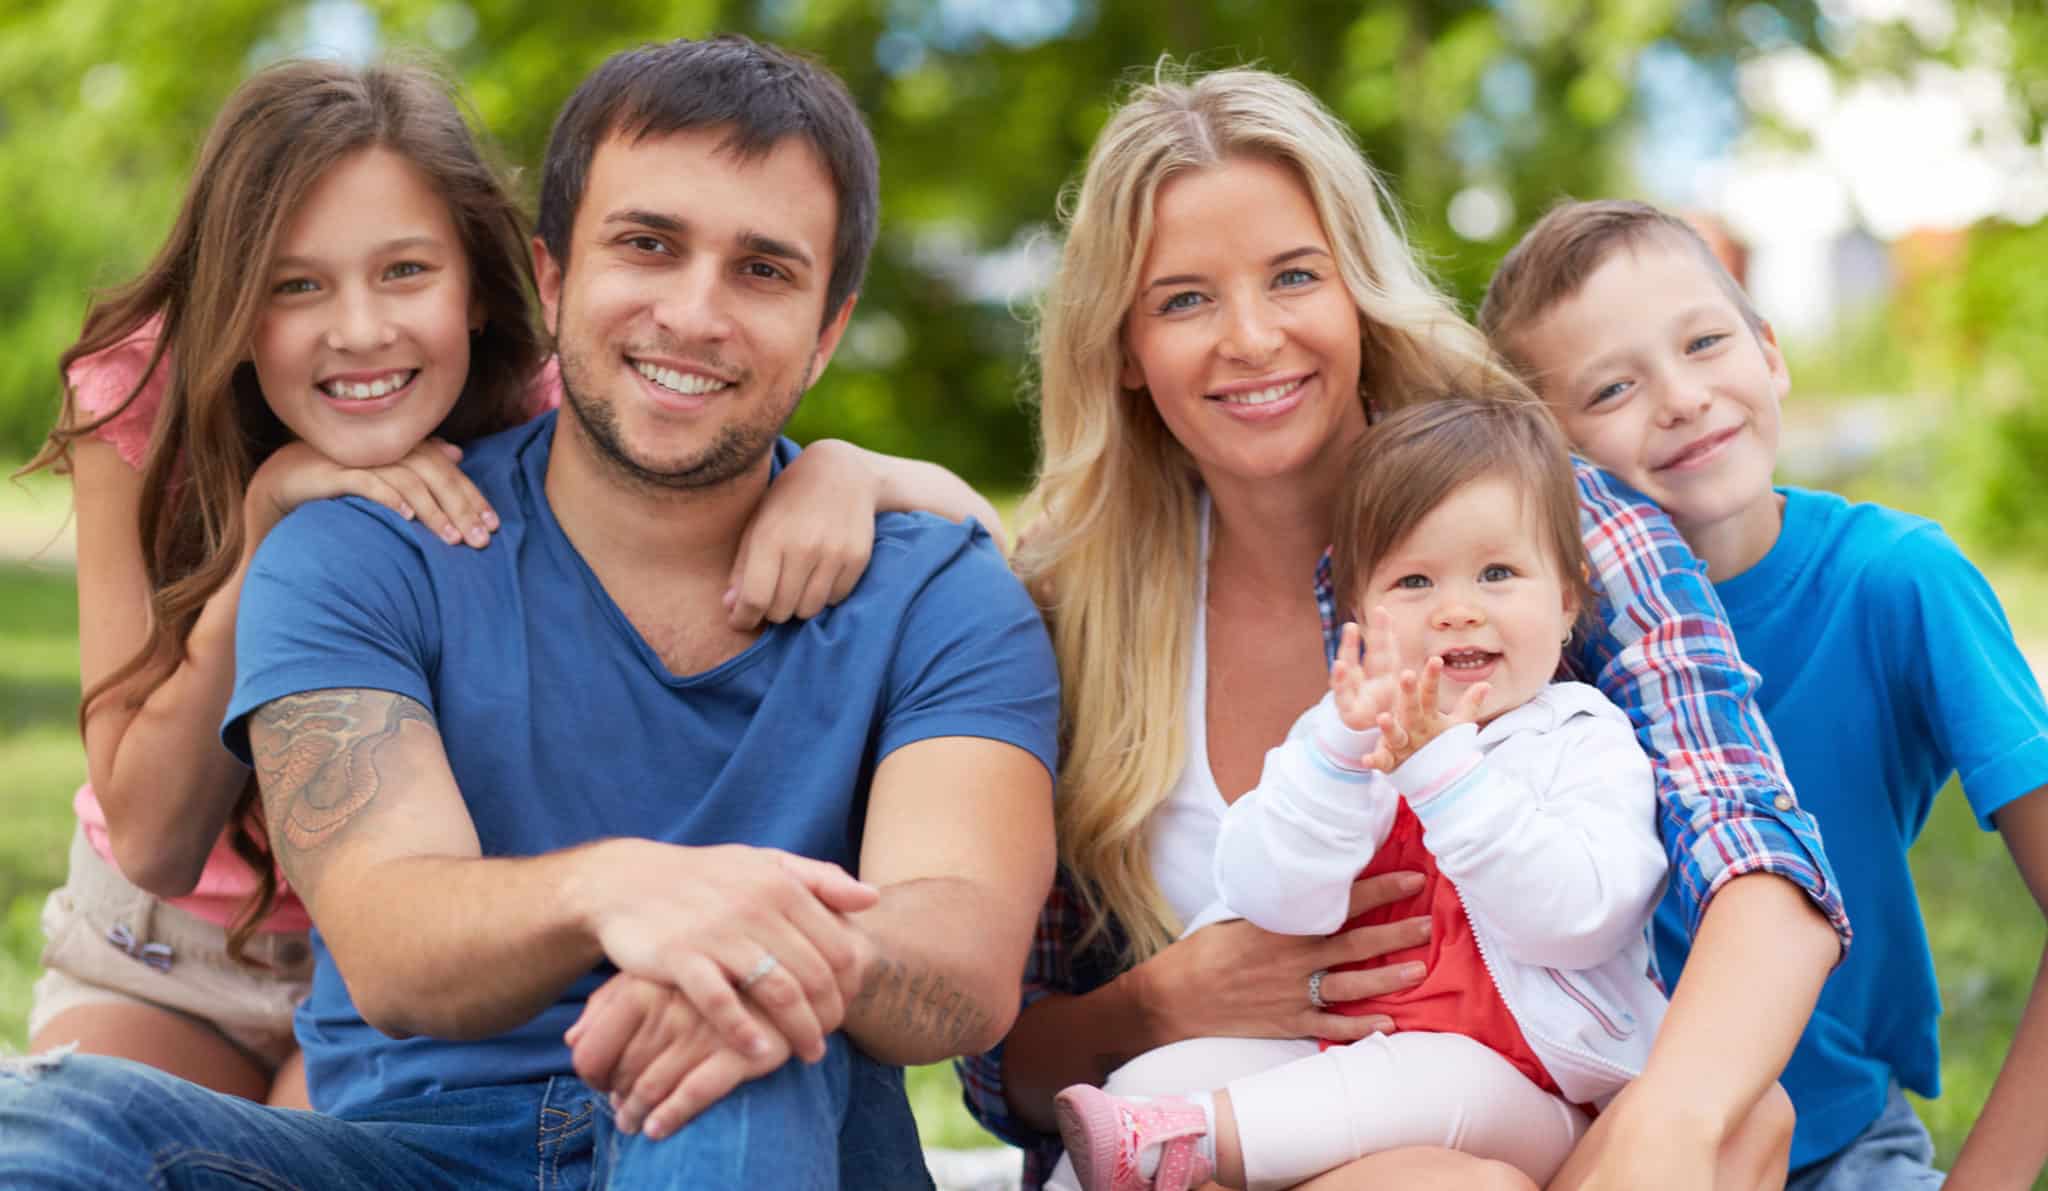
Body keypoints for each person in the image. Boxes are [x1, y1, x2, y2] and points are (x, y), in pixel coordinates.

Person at [0, 34, 1059, 1189]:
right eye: (647, 246)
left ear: (828, 329)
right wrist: (625, 889)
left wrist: (740, 955)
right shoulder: (346, 543)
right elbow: (393, 938)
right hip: (379, 1116)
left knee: (732, 1046)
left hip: (739, 1123)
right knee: (50, 1125)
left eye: (762, 271)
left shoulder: (933, 589)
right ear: (556, 283)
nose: (692, 314)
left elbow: (961, 955)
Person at [959, 64, 1846, 1191]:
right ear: (1123, 347)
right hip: (1236, 1142)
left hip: (1522, 1128)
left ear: (1356, 289)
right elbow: (1002, 1069)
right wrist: (1163, 1000)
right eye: (1183, 300)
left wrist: (1668, 1124)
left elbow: (1751, 845)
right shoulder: (1062, 607)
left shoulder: (1545, 522)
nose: (1250, 337)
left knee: (1735, 1114)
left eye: (1293, 276)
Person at [1481, 197, 2048, 1191]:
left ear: (1769, 351)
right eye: (1611, 386)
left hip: (1838, 1150)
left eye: (1704, 342)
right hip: (1587, 1147)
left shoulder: (1896, 581)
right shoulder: (1527, 638)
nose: (1682, 398)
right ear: (1544, 454)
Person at [1051, 395, 1674, 1191]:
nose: (1457, 609)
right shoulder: (1345, 731)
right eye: (1414, 580)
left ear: (1566, 600)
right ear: (1358, 610)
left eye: (1498, 573)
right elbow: (1270, 895)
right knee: (1147, 1083)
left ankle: (1199, 1140)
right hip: (1345, 1048)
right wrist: (1338, 762)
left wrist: (1446, 772)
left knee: (1429, 1073)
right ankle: (1151, 1137)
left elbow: (1580, 918)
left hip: (1527, 1087)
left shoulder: (1582, 736)